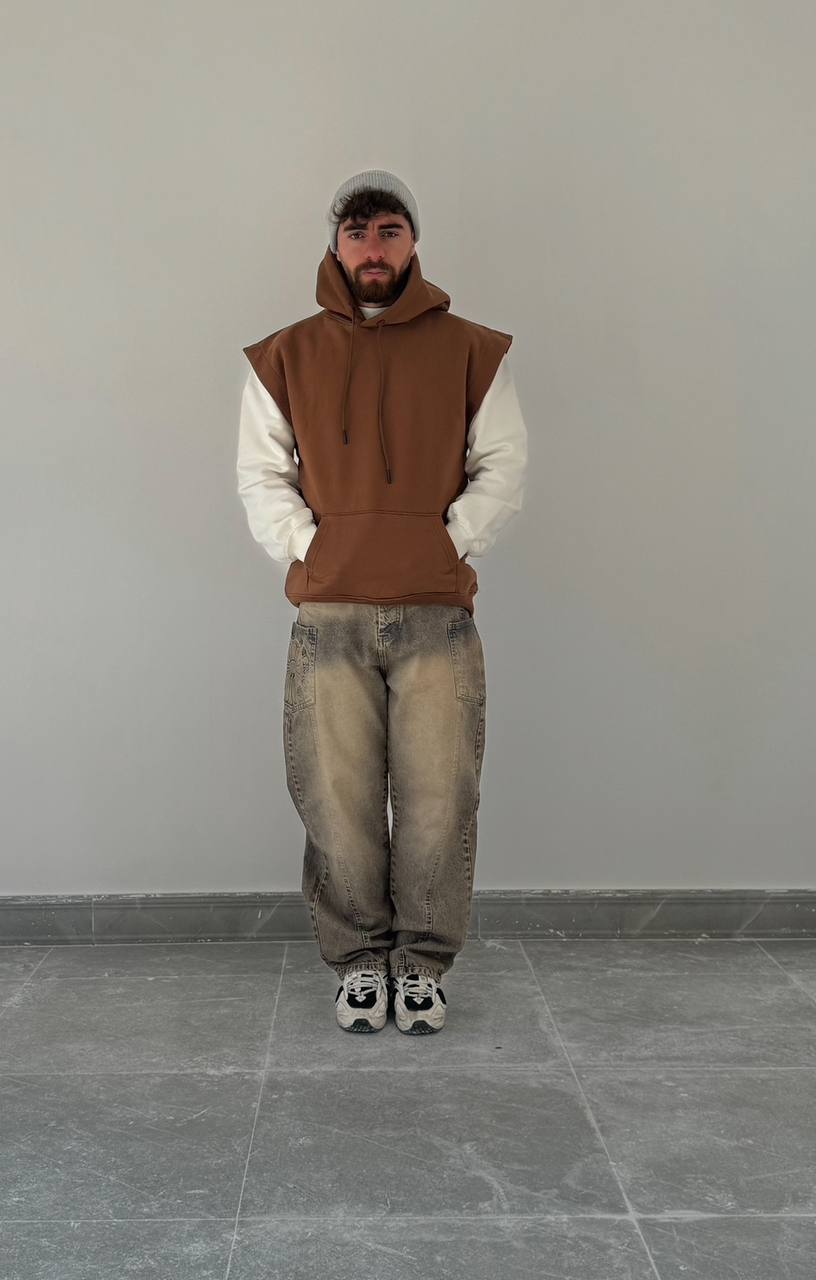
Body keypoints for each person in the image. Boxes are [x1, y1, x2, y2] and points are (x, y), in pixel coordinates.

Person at [237, 170, 527, 1035]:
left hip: (437, 614)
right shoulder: (286, 354)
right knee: (338, 799)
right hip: (329, 615)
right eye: (357, 231)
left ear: (413, 243)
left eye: (389, 230)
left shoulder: (472, 349)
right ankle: (360, 961)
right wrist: (313, 549)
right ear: (335, 246)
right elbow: (261, 473)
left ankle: (423, 965)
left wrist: (447, 543)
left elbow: (503, 464)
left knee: (441, 797)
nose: (373, 247)